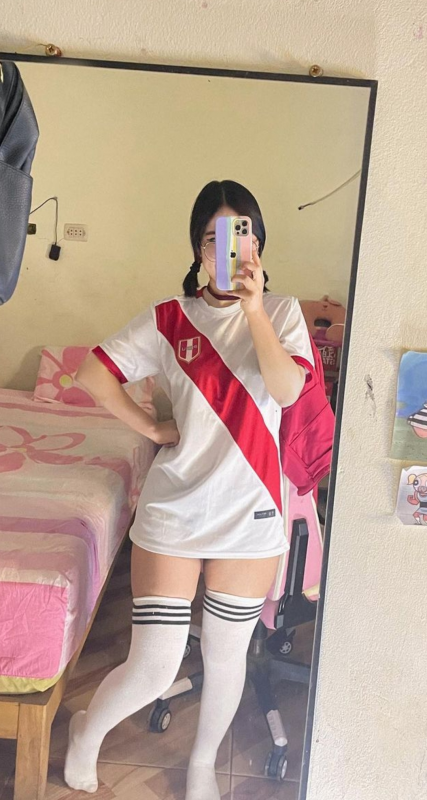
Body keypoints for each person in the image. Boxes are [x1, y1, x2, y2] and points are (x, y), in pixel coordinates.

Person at [64, 179, 314, 798]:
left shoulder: (282, 313)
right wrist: (150, 426)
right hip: (173, 512)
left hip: (250, 517)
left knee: (227, 659)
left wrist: (252, 309)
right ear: (198, 249)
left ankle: (201, 764)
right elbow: (93, 372)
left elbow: (286, 391)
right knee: (154, 665)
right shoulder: (168, 318)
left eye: (240, 233)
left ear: (258, 242)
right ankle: (86, 731)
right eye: (212, 237)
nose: (226, 248)